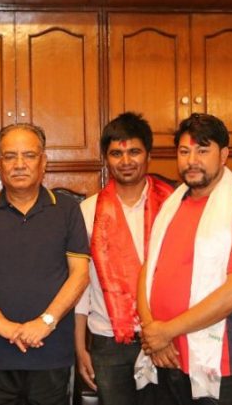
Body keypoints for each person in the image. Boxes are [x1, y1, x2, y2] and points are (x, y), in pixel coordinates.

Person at [137, 113, 232, 405]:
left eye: (202, 150)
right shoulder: (171, 206)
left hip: (219, 365)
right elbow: (148, 272)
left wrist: (165, 331)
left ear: (223, 155)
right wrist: (152, 333)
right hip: (166, 359)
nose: (192, 160)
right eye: (184, 151)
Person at [0, 123, 90, 405]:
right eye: (10, 156)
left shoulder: (67, 210)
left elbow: (80, 275)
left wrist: (45, 322)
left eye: (29, 155)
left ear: (43, 161)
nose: (19, 164)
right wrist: (1, 325)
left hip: (51, 353)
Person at [74, 112, 174, 405]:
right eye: (116, 153)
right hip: (108, 341)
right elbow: (80, 284)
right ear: (106, 159)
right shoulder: (88, 211)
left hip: (167, 335)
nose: (126, 161)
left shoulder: (173, 205)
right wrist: (80, 348)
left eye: (134, 152)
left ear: (149, 155)